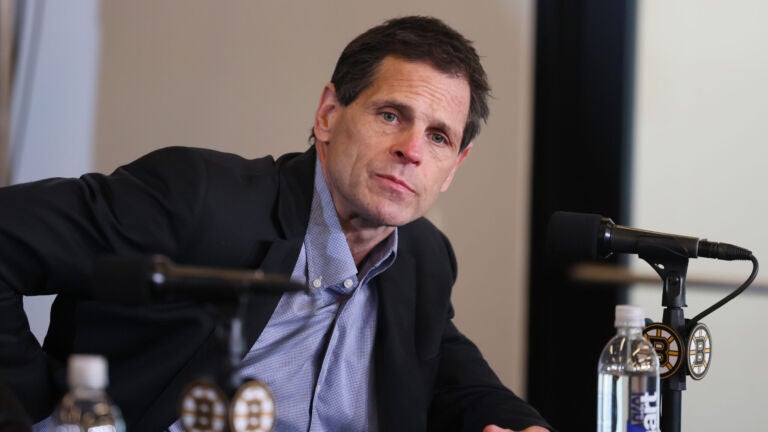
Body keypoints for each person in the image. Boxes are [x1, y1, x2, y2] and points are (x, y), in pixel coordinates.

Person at [0, 15, 554, 432]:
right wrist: (43, 415)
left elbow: (452, 376)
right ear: (328, 115)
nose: (412, 150)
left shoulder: (423, 258)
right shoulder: (199, 200)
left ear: (453, 167)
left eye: (439, 137)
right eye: (391, 115)